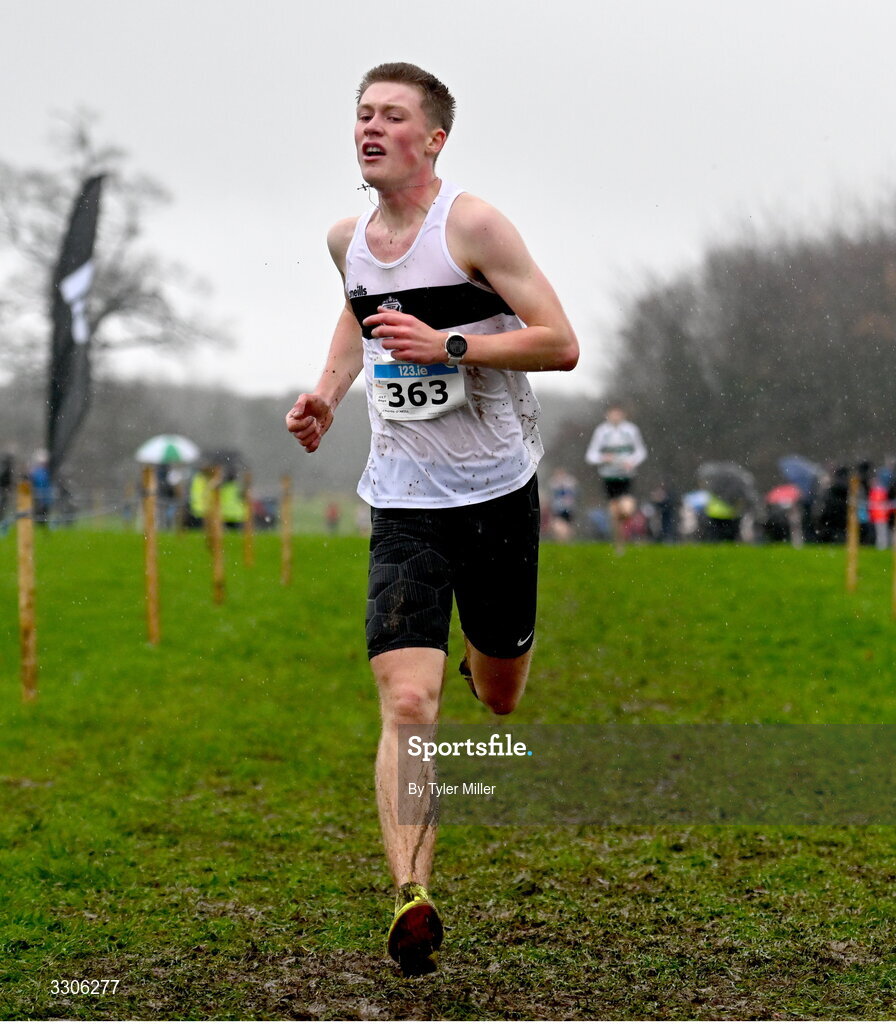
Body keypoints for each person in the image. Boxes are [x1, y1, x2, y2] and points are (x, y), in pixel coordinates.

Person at [285, 62, 579, 974]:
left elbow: (562, 343)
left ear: (434, 138)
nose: (370, 128)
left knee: (497, 695)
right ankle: (412, 894)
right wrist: (329, 393)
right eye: (362, 114)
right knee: (408, 701)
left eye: (392, 117)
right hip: (404, 501)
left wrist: (453, 342)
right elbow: (357, 313)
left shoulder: (475, 226)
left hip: (496, 495)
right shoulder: (349, 239)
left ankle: (493, 649)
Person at [584, 405, 647, 552]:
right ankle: (620, 546)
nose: (615, 417)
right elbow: (590, 455)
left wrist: (632, 461)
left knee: (626, 510)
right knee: (614, 514)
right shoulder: (601, 431)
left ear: (623, 415)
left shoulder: (631, 430)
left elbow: (641, 451)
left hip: (626, 476)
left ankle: (633, 534)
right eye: (612, 414)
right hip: (609, 477)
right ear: (607, 415)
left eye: (618, 414)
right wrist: (603, 458)